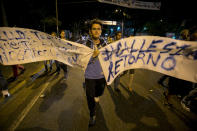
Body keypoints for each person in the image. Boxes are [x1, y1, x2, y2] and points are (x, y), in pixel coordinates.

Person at [78, 19, 107, 127]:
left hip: (102, 76)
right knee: (90, 98)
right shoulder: (85, 44)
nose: (96, 31)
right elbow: (80, 60)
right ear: (90, 31)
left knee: (99, 93)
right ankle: (92, 114)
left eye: (98, 29)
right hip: (89, 76)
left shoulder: (105, 44)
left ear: (101, 31)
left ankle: (97, 95)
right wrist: (92, 56)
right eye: (94, 29)